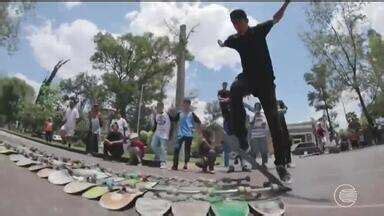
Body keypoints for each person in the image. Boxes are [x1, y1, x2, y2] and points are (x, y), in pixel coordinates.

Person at [217, 1, 291, 182]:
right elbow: (225, 43)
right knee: (234, 90)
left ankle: (281, 165)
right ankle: (242, 139)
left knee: (275, 122)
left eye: (239, 23)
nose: (237, 27)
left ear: (246, 21)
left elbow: (275, 19)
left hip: (266, 83)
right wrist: (222, 44)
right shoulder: (235, 39)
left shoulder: (258, 31)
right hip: (248, 79)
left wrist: (286, 4)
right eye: (234, 25)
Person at [169, 98, 202, 170]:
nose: (185, 105)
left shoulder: (192, 114)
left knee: (187, 150)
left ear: (189, 105)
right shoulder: (179, 113)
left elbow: (199, 121)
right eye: (184, 104)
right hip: (180, 134)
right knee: (176, 149)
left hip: (189, 134)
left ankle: (186, 164)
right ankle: (175, 165)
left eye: (187, 104)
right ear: (182, 104)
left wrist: (196, 130)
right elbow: (174, 120)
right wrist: (170, 114)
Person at [247, 102, 269, 168]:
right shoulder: (252, 115)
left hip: (262, 135)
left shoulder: (263, 114)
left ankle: (264, 164)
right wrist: (255, 117)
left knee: (264, 150)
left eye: (258, 107)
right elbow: (250, 125)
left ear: (260, 108)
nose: (257, 108)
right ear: (254, 107)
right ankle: (254, 164)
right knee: (254, 151)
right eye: (256, 107)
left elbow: (265, 124)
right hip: (254, 136)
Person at [151, 102, 171, 169]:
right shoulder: (156, 115)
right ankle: (162, 157)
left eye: (160, 107)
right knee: (153, 145)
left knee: (163, 148)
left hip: (164, 134)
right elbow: (156, 124)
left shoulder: (167, 115)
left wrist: (169, 134)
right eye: (157, 107)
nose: (158, 109)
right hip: (157, 133)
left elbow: (172, 123)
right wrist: (153, 131)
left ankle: (163, 162)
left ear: (162, 107)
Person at [277, 100, 294, 168]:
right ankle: (282, 162)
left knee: (287, 143)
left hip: (283, 126)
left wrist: (281, 110)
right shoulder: (268, 102)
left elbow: (285, 108)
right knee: (279, 145)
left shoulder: (279, 101)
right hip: (274, 126)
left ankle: (288, 162)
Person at [217, 82, 231, 167]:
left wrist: (225, 100)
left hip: (230, 114)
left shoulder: (229, 92)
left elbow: (231, 99)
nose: (225, 86)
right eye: (224, 85)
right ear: (222, 85)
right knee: (226, 139)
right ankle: (226, 164)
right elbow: (219, 98)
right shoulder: (220, 92)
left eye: (226, 85)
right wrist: (225, 100)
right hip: (225, 115)